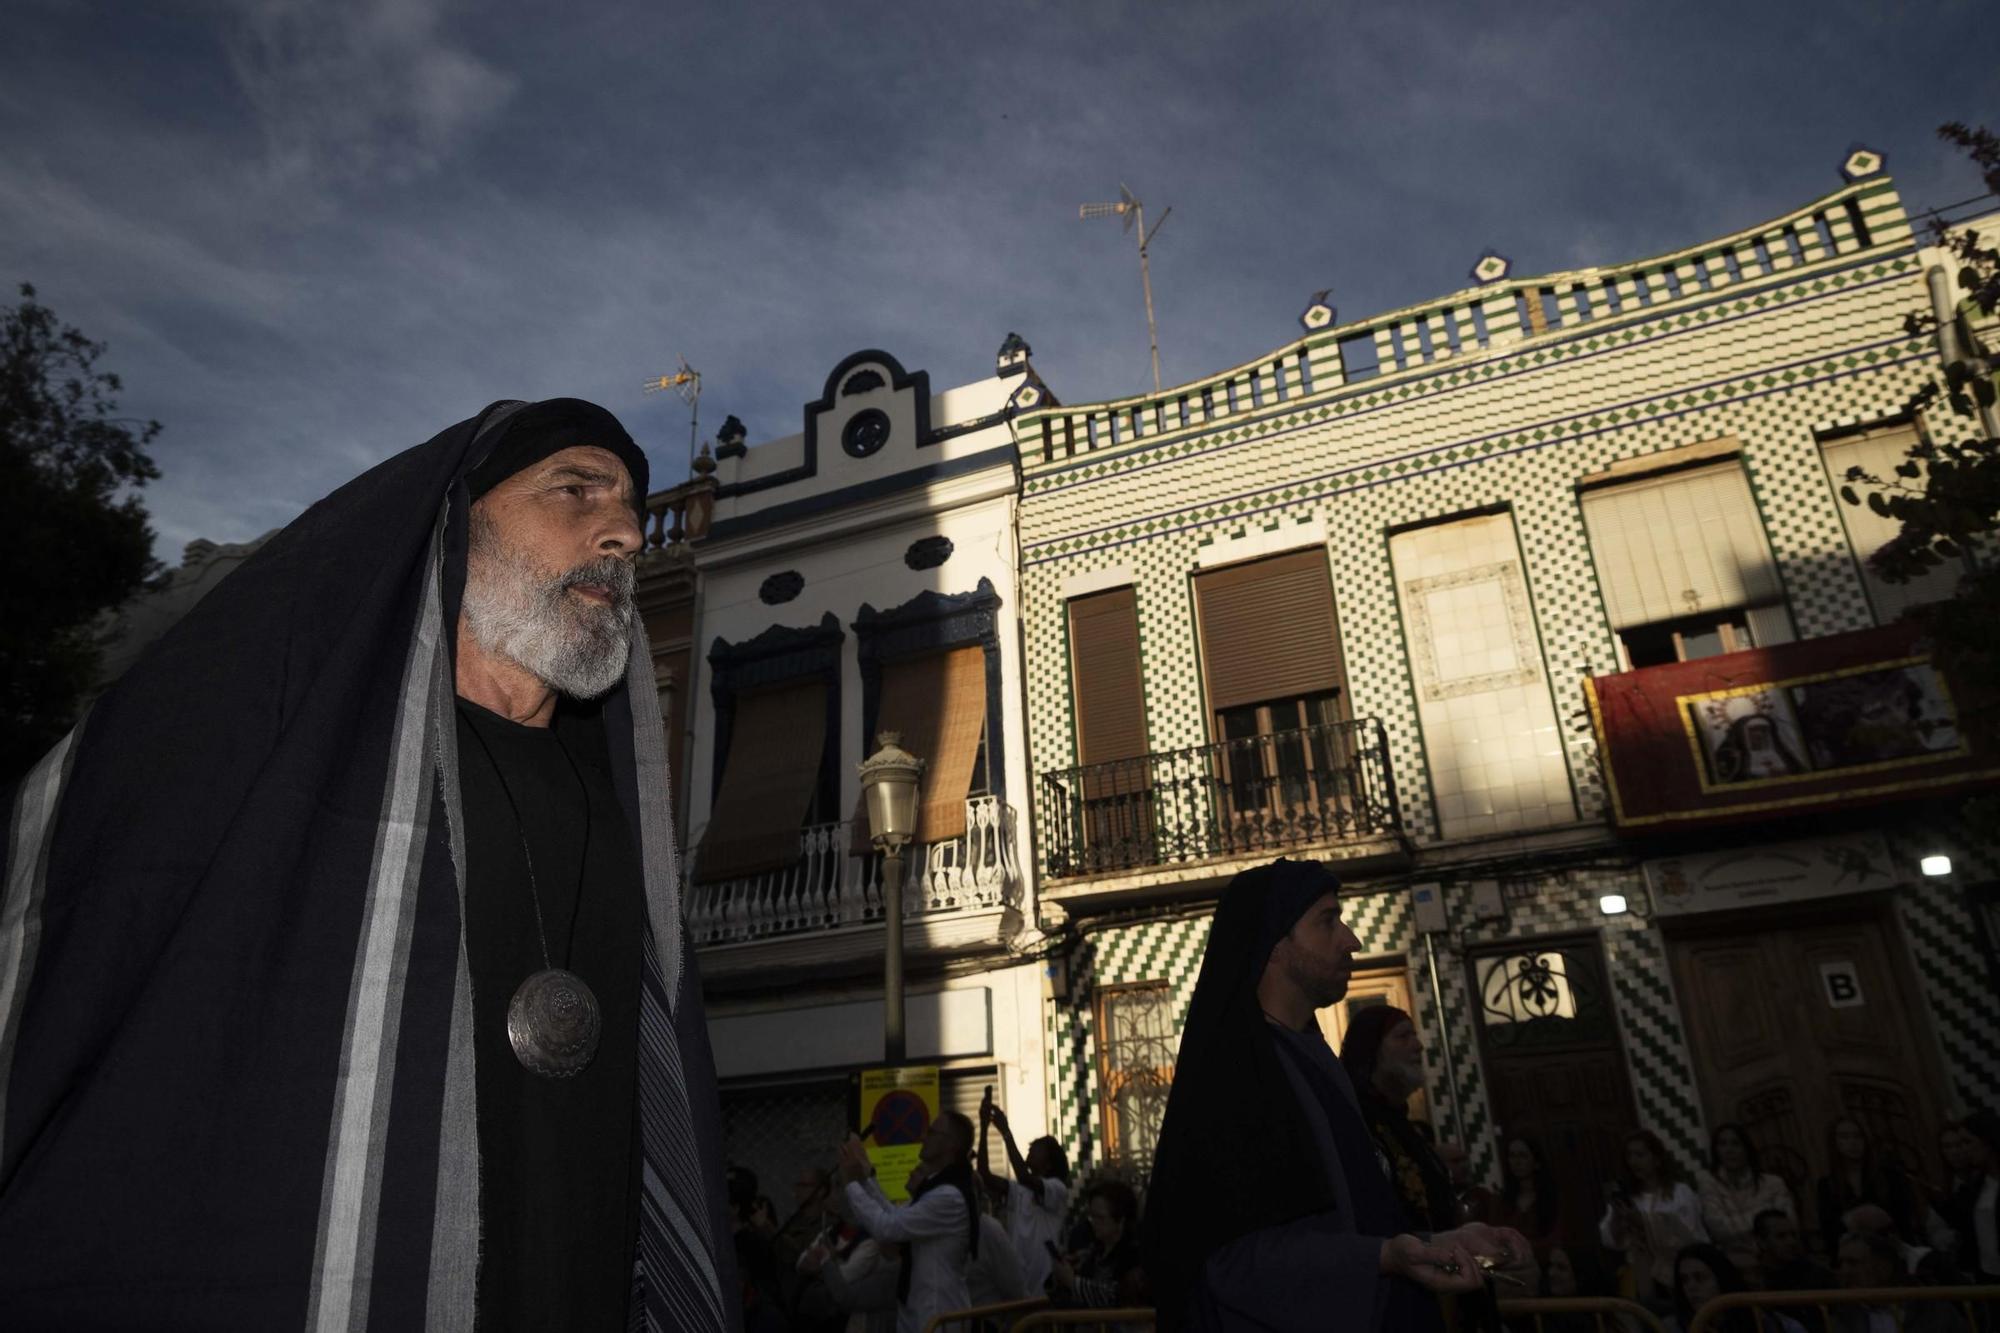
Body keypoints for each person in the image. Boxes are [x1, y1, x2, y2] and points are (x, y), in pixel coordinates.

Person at [0, 398, 736, 1329]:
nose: (626, 529)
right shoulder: (313, 791)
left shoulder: (621, 819)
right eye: (576, 488)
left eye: (629, 502)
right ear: (457, 527)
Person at [1141, 857, 1532, 1331]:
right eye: (1328, 921)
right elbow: (1231, 1263)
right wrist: (1384, 1256)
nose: (1352, 940)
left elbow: (1356, 1225)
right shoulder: (1235, 1078)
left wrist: (1443, 1240)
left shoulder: (1311, 1057)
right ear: (1275, 944)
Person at [838, 1111, 981, 1333]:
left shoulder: (948, 1196)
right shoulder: (938, 1187)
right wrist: (865, 1175)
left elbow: (887, 1229)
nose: (924, 1137)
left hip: (938, 1316)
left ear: (951, 1145)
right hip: (920, 1312)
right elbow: (896, 1218)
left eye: (932, 1132)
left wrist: (850, 1183)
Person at [1341, 1004, 1459, 1234]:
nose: (1418, 1046)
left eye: (1414, 1035)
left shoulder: (1401, 1121)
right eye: (1403, 1036)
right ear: (1372, 1049)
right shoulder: (1355, 1120)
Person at [1599, 1129, 1709, 1312]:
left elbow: (1690, 1235)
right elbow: (1610, 1240)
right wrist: (1618, 1217)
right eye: (1629, 1156)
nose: (1634, 1161)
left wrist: (1642, 1221)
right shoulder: (1628, 1197)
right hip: (1640, 1277)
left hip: (1677, 1274)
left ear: (1657, 1159)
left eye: (1640, 1155)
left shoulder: (1680, 1193)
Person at [978, 1089, 1071, 1295]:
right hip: (1020, 1288)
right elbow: (984, 1175)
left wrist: (1006, 1132)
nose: (1029, 1151)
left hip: (1045, 1290)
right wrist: (984, 1128)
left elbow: (1023, 1176)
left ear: (1048, 1163)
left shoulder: (1057, 1189)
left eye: (1035, 1148)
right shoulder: (1018, 1190)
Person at [1815, 1116, 1920, 1250]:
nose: (1853, 1142)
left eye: (1858, 1136)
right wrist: (1852, 1219)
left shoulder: (1889, 1176)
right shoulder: (1827, 1185)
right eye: (1844, 1137)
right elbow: (1829, 1232)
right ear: (1834, 1143)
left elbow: (1904, 1219)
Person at [1832, 1231, 1960, 1333]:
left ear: (1884, 1267)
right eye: (1840, 1264)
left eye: (1853, 1263)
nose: (1844, 1271)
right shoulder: (1842, 1315)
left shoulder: (1931, 1309)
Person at [1049, 1179, 1146, 1309]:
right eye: (1091, 1217)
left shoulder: (1133, 1256)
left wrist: (1072, 1282)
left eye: (1100, 1218)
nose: (1094, 1222)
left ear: (1120, 1221)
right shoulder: (1091, 1253)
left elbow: (1116, 1297)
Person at [1698, 1123, 1796, 1248]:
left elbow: (1787, 1223)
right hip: (1736, 1257)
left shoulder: (1773, 1183)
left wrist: (1736, 1223)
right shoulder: (1708, 1184)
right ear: (1715, 1150)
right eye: (1722, 1144)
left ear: (1747, 1149)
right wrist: (1764, 1220)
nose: (1729, 1150)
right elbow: (1719, 1229)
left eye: (1736, 1144)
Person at [1673, 1242, 1806, 1333]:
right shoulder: (1670, 1328)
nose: (1691, 1287)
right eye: (1684, 1280)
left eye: (1700, 1278)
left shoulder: (1773, 1325)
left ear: (1721, 1279)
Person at [1944, 1110, 1999, 1286]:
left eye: (1968, 1142)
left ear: (1987, 1142)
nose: (1964, 1150)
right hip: (1988, 1278)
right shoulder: (1976, 1186)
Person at [1493, 1134, 1563, 1254]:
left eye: (1523, 1156)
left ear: (1536, 1162)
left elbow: (1557, 1238)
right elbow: (1495, 1235)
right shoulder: (1503, 1200)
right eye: (1512, 1156)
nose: (1517, 1162)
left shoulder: (1552, 1196)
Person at [1439, 1141, 1499, 1225]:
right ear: (1440, 1166)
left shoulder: (1482, 1196)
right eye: (1456, 1161)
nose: (1464, 1166)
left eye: (1465, 1159)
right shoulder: (1438, 1203)